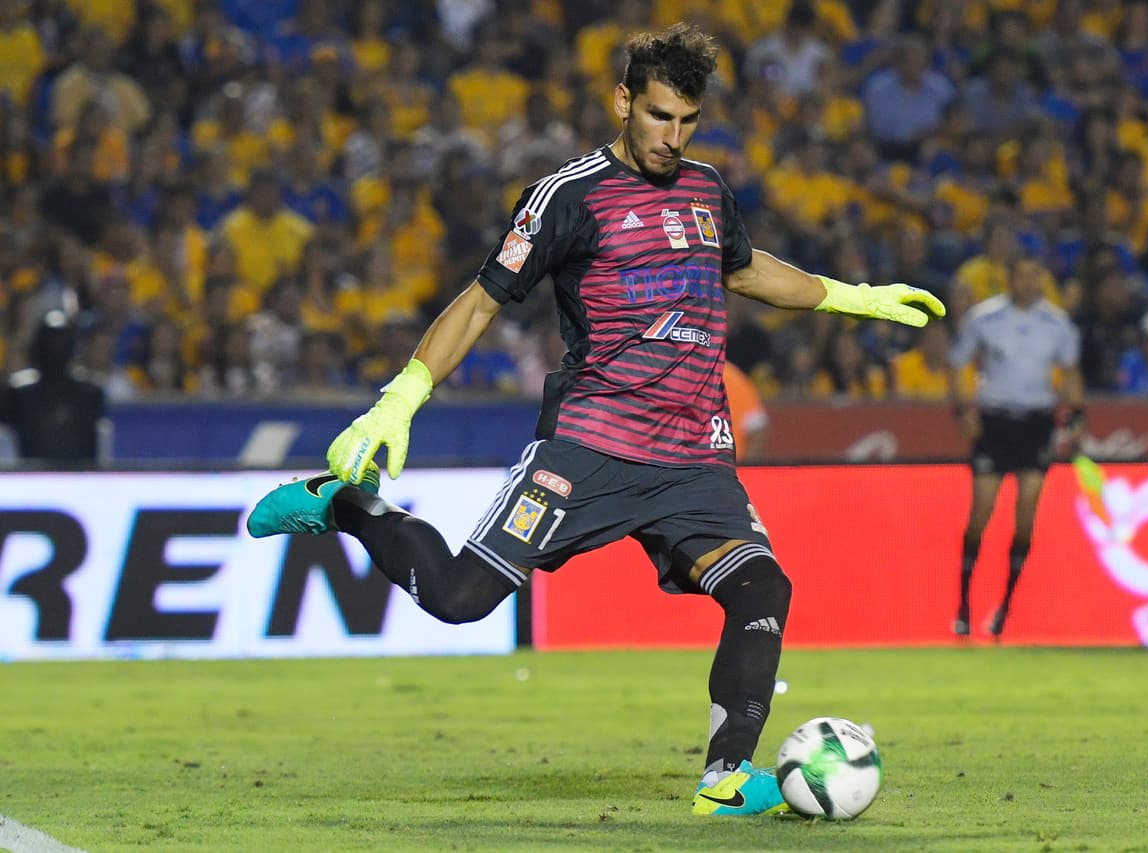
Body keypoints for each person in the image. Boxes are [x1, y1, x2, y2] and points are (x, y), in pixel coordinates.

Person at [247, 24, 944, 816]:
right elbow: (480, 301)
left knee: (761, 585)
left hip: (692, 452)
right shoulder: (568, 196)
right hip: (593, 445)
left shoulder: (708, 189)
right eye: (657, 117)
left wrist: (852, 296)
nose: (671, 137)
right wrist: (401, 395)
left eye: (686, 121)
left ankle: (723, 777)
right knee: (458, 597)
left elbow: (745, 270)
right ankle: (341, 502)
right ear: (623, 101)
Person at [947, 256, 1083, 639]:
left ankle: (1005, 607)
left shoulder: (1057, 324)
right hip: (996, 419)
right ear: (1010, 279)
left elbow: (1071, 373)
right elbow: (960, 364)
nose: (1028, 283)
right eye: (1022, 275)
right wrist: (963, 409)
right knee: (982, 511)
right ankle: (964, 604)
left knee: (1026, 512)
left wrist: (1075, 413)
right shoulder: (984, 318)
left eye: (1034, 275)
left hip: (1036, 420)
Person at [0, 311, 108, 466]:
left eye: (62, 342)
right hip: (29, 483)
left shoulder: (91, 393)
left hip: (81, 482)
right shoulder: (18, 393)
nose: (56, 348)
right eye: (50, 342)